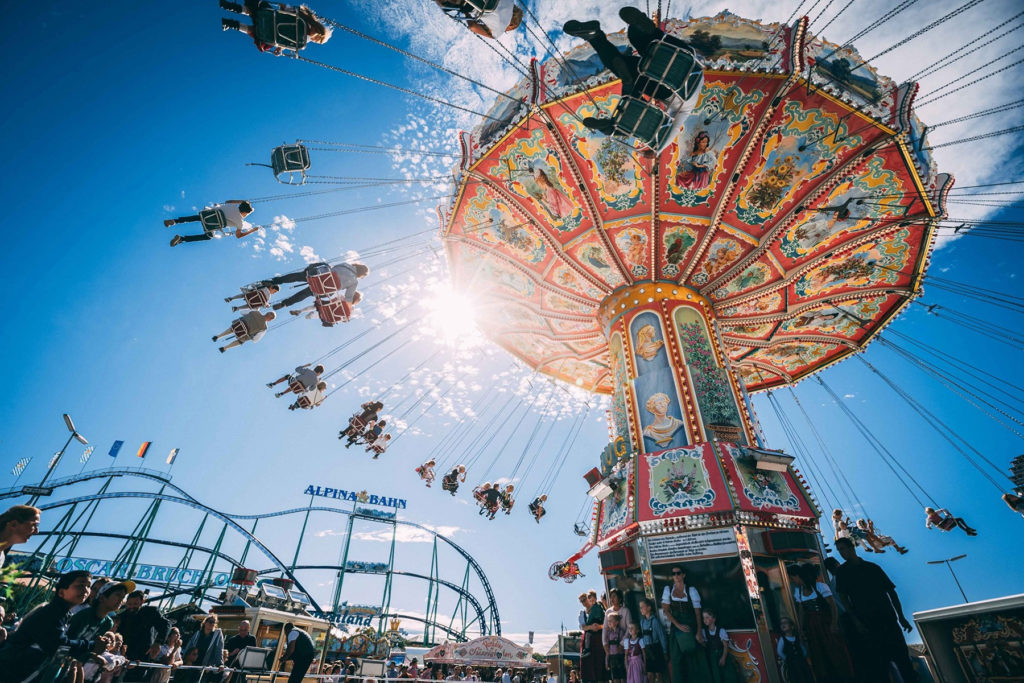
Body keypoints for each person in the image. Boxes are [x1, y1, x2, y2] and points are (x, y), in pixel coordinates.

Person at [562, 8, 703, 152]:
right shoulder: (685, 108)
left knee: (642, 38)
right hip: (670, 86)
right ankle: (595, 38)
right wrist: (658, 150)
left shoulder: (697, 87)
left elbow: (675, 127)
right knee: (623, 73)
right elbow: (673, 129)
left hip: (686, 58)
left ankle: (646, 31)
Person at [0, 570, 111, 682]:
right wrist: (91, 645)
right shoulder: (51, 613)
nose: (86, 590)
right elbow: (58, 645)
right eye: (80, 585)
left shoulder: (64, 613)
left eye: (88, 586)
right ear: (61, 592)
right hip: (10, 668)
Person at [834, 536, 919, 682]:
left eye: (843, 549)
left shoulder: (872, 567)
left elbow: (891, 592)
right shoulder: (842, 572)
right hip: (867, 623)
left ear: (851, 547)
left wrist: (901, 617)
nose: (841, 553)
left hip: (888, 619)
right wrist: (856, 621)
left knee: (903, 662)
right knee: (879, 667)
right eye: (839, 550)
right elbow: (844, 599)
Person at [788, 563, 852, 682]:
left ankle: (843, 677)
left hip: (825, 622)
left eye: (792, 578)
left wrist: (834, 623)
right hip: (812, 625)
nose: (792, 581)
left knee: (833, 650)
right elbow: (802, 611)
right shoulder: (799, 592)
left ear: (798, 576)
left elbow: (832, 606)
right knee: (819, 653)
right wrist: (801, 628)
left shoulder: (820, 587)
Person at [661, 565, 710, 683]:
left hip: (690, 626)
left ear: (683, 575)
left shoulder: (691, 590)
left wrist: (698, 632)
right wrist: (677, 625)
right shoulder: (668, 590)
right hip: (676, 628)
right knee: (677, 660)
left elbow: (697, 613)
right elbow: (666, 610)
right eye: (673, 574)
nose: (676, 576)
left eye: (678, 573)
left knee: (694, 660)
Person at [220, 1, 333, 53]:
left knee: (255, 13)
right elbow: (287, 43)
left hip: (271, 21)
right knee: (256, 30)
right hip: (271, 31)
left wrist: (283, 7)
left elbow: (286, 42)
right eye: (317, 39)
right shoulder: (303, 41)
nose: (314, 40)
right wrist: (279, 49)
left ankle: (229, 12)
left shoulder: (303, 25)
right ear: (318, 32)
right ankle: (229, 21)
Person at [263, 262, 369, 310]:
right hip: (324, 290)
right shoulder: (354, 282)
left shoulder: (346, 265)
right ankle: (285, 304)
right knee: (306, 293)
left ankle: (274, 281)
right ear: (360, 275)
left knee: (298, 276)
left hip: (319, 277)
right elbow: (348, 298)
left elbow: (334, 268)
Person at [117, 589, 171, 680]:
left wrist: (158, 642)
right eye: (129, 604)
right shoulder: (122, 617)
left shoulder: (150, 612)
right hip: (123, 655)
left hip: (142, 656)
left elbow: (166, 624)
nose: (132, 607)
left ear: (142, 602)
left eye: (135, 604)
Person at [167, 200, 259, 246]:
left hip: (206, 215)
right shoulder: (240, 222)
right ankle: (182, 239)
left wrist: (242, 201)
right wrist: (252, 230)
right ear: (245, 213)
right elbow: (238, 236)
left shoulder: (231, 205)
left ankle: (175, 221)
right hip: (211, 226)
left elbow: (228, 201)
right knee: (208, 237)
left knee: (199, 217)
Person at [69, 579, 133, 643]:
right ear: (102, 598)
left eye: (123, 597)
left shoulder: (108, 623)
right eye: (118, 595)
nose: (121, 599)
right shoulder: (84, 615)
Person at [700, 609, 736, 683]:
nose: (705, 620)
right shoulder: (704, 631)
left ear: (713, 619)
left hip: (721, 654)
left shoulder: (720, 630)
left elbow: (725, 646)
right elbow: (705, 644)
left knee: (727, 675)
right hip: (712, 657)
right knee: (716, 675)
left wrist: (723, 658)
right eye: (704, 618)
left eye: (707, 617)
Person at [775, 617, 812, 683]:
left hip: (801, 662)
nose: (783, 624)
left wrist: (803, 656)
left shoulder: (797, 638)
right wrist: (787, 658)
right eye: (781, 623)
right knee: (796, 678)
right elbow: (779, 651)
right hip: (792, 664)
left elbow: (803, 649)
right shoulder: (782, 639)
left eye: (785, 622)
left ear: (792, 626)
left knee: (806, 677)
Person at [580, 591, 606, 683]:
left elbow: (605, 623)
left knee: (600, 664)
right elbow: (583, 627)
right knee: (589, 666)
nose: (584, 602)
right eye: (581, 601)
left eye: (585, 600)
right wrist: (591, 627)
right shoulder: (583, 613)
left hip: (599, 638)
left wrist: (599, 627)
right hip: (589, 639)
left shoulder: (598, 608)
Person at [637, 598, 666, 683]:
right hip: (648, 650)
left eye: (643, 607)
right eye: (640, 607)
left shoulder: (655, 621)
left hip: (656, 649)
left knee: (658, 674)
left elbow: (662, 636)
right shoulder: (642, 622)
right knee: (650, 675)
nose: (641, 609)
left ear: (649, 608)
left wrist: (665, 651)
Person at [604, 611, 626, 683]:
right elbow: (608, 649)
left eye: (611, 621)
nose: (609, 622)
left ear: (616, 622)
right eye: (608, 621)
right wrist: (607, 661)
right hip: (612, 658)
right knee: (615, 678)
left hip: (620, 656)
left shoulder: (620, 632)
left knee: (622, 676)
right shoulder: (609, 634)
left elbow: (624, 646)